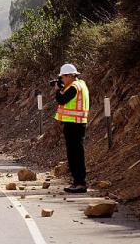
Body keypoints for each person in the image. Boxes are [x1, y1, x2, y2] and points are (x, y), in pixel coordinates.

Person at [53, 63, 90, 193]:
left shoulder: (74, 87)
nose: (61, 80)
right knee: (75, 154)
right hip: (76, 123)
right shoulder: (81, 85)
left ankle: (79, 183)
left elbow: (62, 100)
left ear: (69, 76)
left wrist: (57, 90)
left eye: (62, 77)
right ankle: (77, 182)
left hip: (74, 124)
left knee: (75, 155)